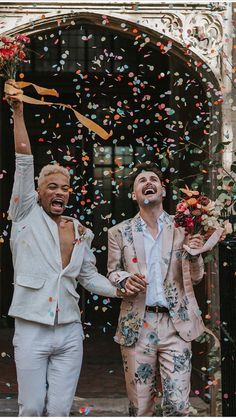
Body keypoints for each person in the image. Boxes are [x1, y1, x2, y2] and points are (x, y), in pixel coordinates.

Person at [5, 80, 122, 417]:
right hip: (31, 328)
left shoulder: (80, 231)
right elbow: (24, 162)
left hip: (70, 331)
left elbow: (89, 278)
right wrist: (18, 112)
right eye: (52, 187)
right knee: (32, 407)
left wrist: (122, 289)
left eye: (66, 188)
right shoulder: (24, 215)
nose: (60, 192)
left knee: (59, 409)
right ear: (38, 192)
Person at [107, 162, 207, 417]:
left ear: (162, 190)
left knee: (178, 406)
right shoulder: (118, 232)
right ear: (134, 194)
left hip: (176, 325)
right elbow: (112, 272)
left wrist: (195, 255)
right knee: (140, 408)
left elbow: (195, 278)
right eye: (142, 180)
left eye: (153, 179)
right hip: (136, 325)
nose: (148, 183)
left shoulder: (183, 228)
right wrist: (124, 280)